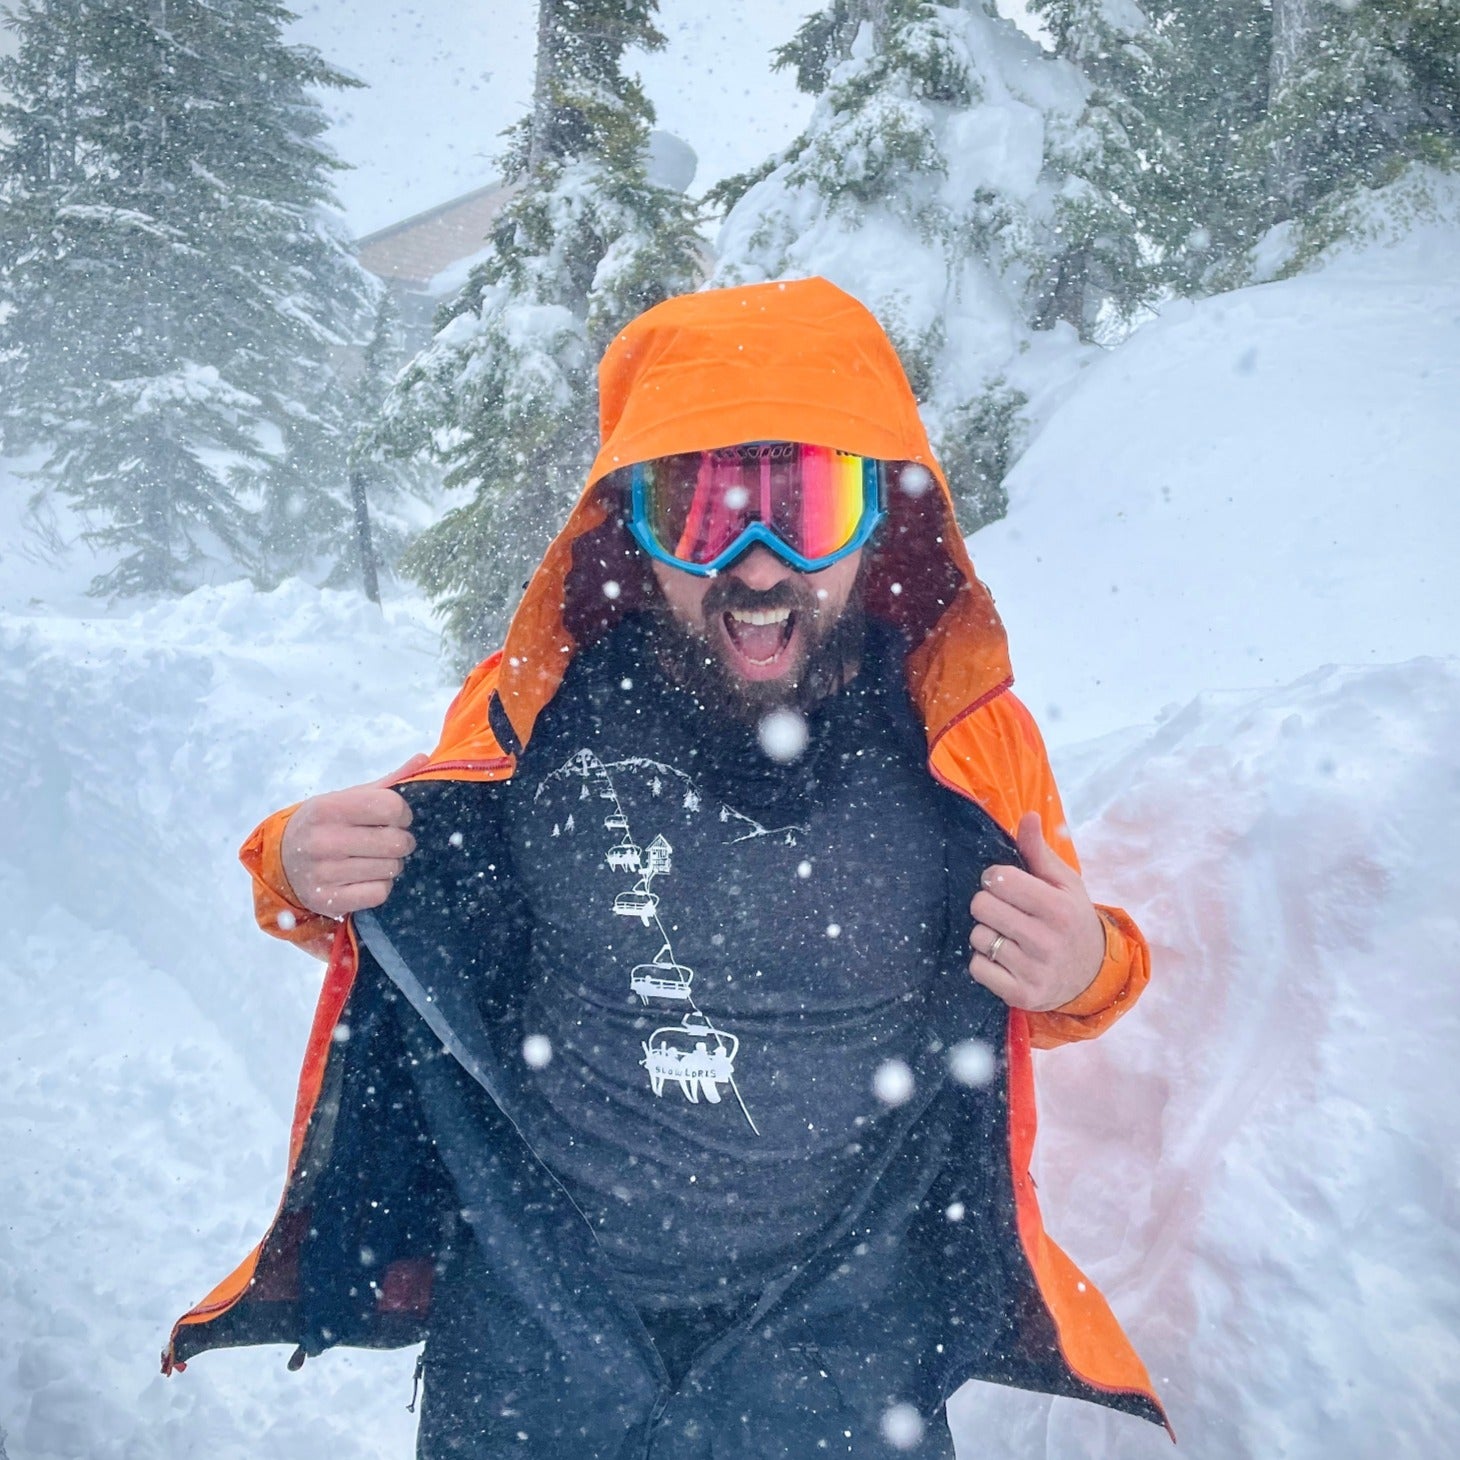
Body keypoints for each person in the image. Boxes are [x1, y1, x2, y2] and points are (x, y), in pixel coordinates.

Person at [163, 277, 1169, 1456]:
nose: (752, 566)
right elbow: (387, 884)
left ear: (879, 521)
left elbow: (1066, 973)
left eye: (801, 510)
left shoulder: (963, 737)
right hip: (538, 1327)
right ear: (628, 527)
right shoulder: (534, 709)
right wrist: (290, 860)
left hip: (833, 1341)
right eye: (700, 514)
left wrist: (1086, 964)